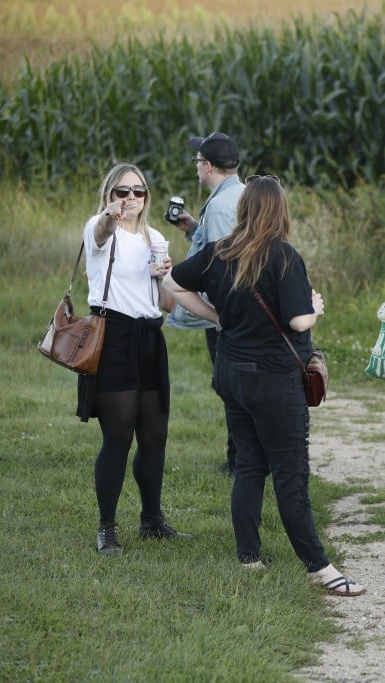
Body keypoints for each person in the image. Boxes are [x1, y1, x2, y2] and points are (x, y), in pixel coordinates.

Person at [163, 175, 365, 596]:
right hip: (273, 379)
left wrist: (217, 317)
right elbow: (298, 321)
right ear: (280, 211)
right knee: (291, 472)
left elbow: (172, 283)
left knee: (250, 464)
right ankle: (320, 568)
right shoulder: (283, 256)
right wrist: (315, 308)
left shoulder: (219, 251)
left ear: (243, 210)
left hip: (231, 372)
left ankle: (249, 557)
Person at [77, 163, 192, 555]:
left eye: (138, 191)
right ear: (109, 195)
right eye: (122, 191)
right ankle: (106, 529)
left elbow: (167, 303)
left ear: (147, 196)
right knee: (118, 437)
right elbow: (100, 231)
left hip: (149, 337)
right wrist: (109, 217)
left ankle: (152, 521)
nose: (130, 198)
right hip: (114, 337)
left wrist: (164, 276)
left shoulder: (155, 237)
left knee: (155, 436)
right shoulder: (100, 229)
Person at [165, 131, 245, 475]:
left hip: (225, 313)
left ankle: (239, 461)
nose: (197, 165)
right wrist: (193, 229)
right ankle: (242, 457)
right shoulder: (239, 194)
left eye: (198, 160)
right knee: (234, 385)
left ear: (208, 166)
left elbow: (222, 264)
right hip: (235, 310)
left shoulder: (221, 207)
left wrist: (216, 315)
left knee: (230, 386)